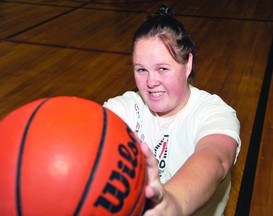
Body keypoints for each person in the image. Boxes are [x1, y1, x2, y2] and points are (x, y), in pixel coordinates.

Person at [103, 4, 241, 216]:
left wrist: (172, 203)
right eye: (141, 70)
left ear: (188, 65)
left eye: (162, 69)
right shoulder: (125, 108)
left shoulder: (214, 113)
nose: (151, 82)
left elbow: (215, 158)